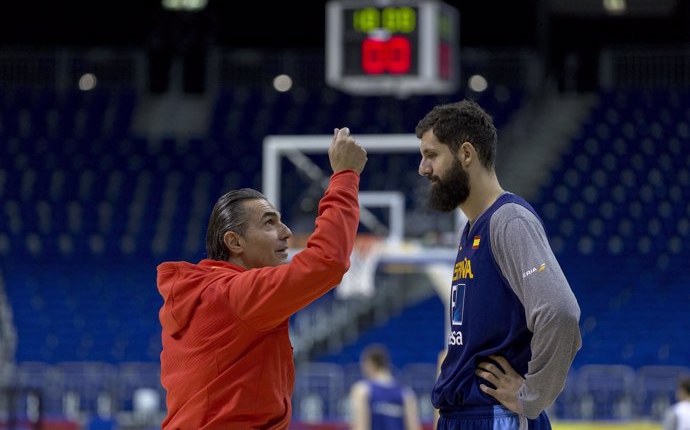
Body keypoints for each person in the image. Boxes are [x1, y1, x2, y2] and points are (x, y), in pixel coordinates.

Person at [157, 127, 367, 429]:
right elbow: (327, 262)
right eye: (270, 223)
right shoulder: (234, 294)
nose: (287, 232)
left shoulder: (206, 292)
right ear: (235, 242)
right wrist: (345, 176)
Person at [415, 99, 582, 429]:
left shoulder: (509, 221)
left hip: (493, 416)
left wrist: (532, 396)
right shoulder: (471, 229)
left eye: (431, 155)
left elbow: (561, 312)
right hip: (465, 415)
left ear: (466, 154)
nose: (423, 168)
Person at [349, 343, 422, 430]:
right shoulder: (406, 393)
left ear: (370, 363)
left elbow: (360, 427)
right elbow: (414, 427)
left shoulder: (362, 390)